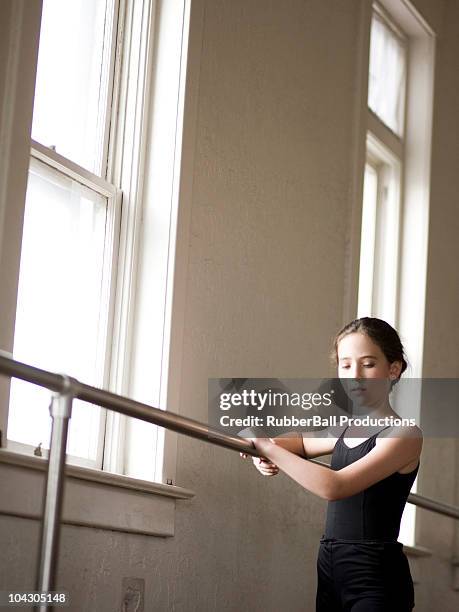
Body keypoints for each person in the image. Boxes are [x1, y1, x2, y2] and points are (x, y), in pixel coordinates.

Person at [240, 317, 422, 611]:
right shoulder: (345, 428)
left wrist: (267, 449)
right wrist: (267, 448)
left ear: (393, 369)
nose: (355, 376)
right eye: (346, 365)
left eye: (368, 364)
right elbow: (299, 442)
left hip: (375, 576)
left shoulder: (405, 434)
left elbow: (334, 486)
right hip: (330, 566)